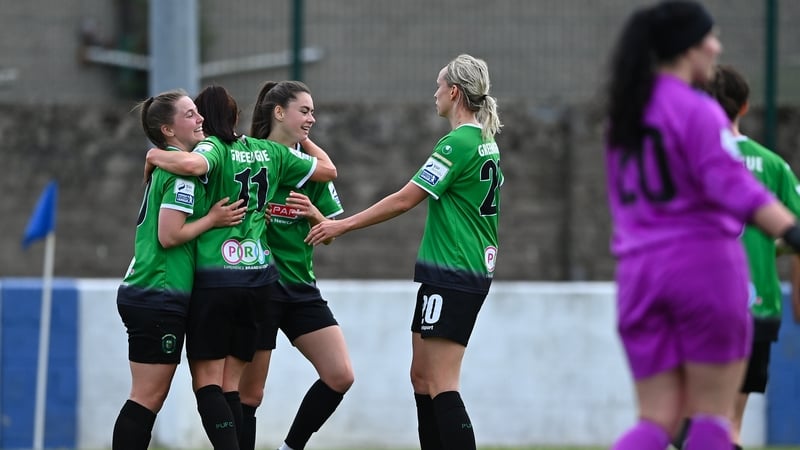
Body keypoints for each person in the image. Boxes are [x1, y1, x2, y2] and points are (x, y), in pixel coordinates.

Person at [603, 2, 800, 450]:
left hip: (638, 274)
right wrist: (791, 230)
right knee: (713, 420)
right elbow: (738, 189)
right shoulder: (698, 112)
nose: (717, 46)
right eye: (708, 37)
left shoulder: (624, 119)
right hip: (703, 270)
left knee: (656, 422)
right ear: (686, 48)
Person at [305, 53, 502, 450]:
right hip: (452, 271)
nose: (434, 93)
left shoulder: (458, 142)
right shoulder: (484, 140)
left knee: (443, 384)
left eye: (438, 85)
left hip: (455, 271)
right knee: (422, 378)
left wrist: (342, 224)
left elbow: (403, 200)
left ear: (454, 92)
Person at [145, 85, 337, 449]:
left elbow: (192, 165)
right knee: (234, 385)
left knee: (208, 383)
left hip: (218, 277)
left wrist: (155, 154)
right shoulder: (267, 151)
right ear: (235, 117)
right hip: (260, 279)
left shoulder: (213, 148)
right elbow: (328, 171)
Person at [112, 89, 246, 450]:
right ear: (168, 130)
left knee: (148, 396)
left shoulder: (168, 163)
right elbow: (169, 235)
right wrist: (214, 219)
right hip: (158, 292)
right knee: (146, 397)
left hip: (151, 290)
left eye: (198, 112)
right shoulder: (181, 173)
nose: (200, 118)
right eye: (189, 114)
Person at [234, 80, 353, 450]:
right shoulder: (250, 157)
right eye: (305, 111)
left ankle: (291, 447)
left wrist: (316, 215)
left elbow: (330, 233)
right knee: (250, 395)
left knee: (340, 376)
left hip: (301, 287)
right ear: (279, 112)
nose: (312, 118)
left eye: (313, 112)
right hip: (260, 288)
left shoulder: (311, 170)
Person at [702, 64, 800, 449]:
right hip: (760, 307)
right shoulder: (774, 166)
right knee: (730, 424)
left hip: (704, 306)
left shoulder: (694, 161)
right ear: (744, 107)